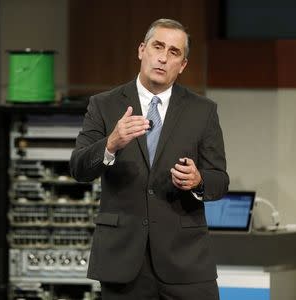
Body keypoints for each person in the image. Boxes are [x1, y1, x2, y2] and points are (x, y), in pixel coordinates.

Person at [70, 18, 229, 299]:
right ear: (142, 50)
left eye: (174, 52)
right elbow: (79, 168)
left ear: (182, 66)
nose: (163, 57)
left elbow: (219, 180)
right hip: (122, 261)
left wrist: (198, 180)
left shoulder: (202, 111)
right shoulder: (104, 105)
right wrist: (111, 143)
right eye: (158, 46)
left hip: (186, 263)